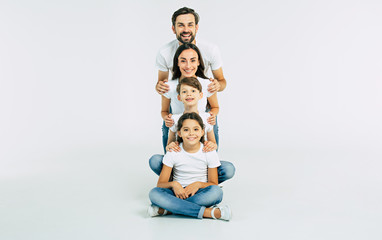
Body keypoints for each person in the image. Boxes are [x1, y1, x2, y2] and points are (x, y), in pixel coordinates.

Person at [156, 7, 227, 152]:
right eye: (180, 25)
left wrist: (216, 86)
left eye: (190, 24)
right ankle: (170, 163)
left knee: (210, 126)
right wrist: (159, 88)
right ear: (173, 28)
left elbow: (222, 82)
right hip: (177, 99)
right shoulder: (165, 52)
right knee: (169, 126)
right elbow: (162, 85)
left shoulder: (210, 50)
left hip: (202, 100)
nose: (186, 29)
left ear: (196, 27)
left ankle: (210, 162)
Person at [150, 77, 235, 184]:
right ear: (179, 97)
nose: (189, 94)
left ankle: (204, 183)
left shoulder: (207, 118)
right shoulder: (173, 119)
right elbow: (169, 145)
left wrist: (212, 145)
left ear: (201, 95)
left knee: (229, 169)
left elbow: (213, 143)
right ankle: (174, 181)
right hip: (181, 163)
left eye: (193, 91)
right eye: (185, 92)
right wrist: (170, 146)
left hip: (200, 164)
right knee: (155, 160)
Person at [148, 112, 231, 220]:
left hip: (199, 192)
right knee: (154, 193)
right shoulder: (173, 151)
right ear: (180, 133)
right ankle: (208, 213)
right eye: (186, 130)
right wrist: (174, 185)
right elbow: (160, 184)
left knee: (216, 192)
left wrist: (198, 184)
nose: (191, 133)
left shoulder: (209, 152)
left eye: (196, 129)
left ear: (202, 132)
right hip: (176, 193)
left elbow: (213, 184)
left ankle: (168, 208)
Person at [160, 43, 219, 152]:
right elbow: (164, 111)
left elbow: (215, 107)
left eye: (192, 60)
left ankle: (210, 162)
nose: (188, 66)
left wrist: (211, 116)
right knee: (158, 159)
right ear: (177, 63)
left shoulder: (207, 84)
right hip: (178, 129)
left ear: (198, 62)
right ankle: (170, 163)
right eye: (183, 61)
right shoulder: (169, 86)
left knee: (212, 125)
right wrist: (166, 119)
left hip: (199, 131)